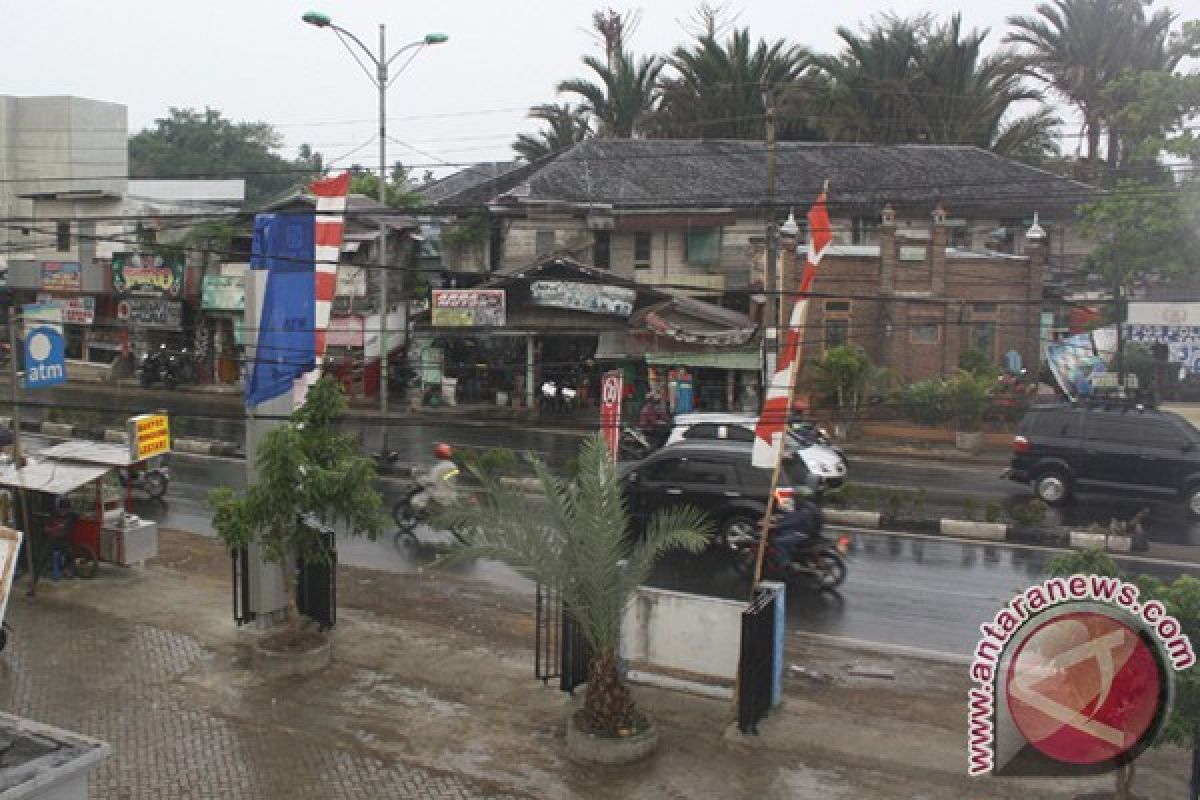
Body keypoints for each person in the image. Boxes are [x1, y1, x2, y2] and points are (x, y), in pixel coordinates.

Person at [769, 483, 824, 573]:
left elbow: (793, 521)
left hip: (801, 533)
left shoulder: (804, 509)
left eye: (795, 496)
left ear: (800, 497)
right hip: (804, 530)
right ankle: (791, 555)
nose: (793, 498)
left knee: (777, 542)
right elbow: (792, 516)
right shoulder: (807, 506)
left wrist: (777, 525)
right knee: (783, 533)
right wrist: (779, 518)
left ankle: (786, 564)